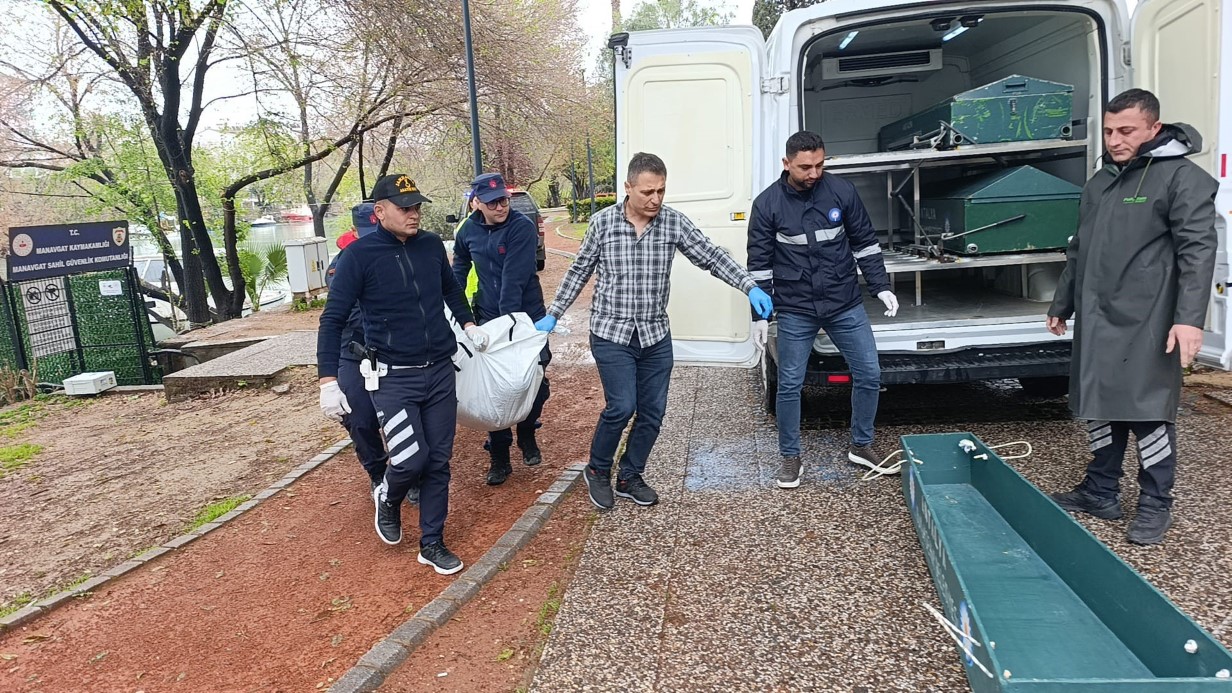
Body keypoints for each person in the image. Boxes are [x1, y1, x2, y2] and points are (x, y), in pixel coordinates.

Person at [535, 152, 773, 509]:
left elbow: (710, 255)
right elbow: (578, 271)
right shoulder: (603, 224)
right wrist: (554, 313)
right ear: (628, 187)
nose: (655, 199)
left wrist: (748, 285)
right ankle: (598, 470)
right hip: (611, 333)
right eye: (647, 191)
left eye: (661, 191)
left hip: (654, 335)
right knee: (622, 406)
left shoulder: (672, 223)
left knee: (653, 412)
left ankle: (630, 475)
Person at [1046, 89, 1217, 545]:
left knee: (1147, 410)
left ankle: (1155, 504)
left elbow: (1198, 252)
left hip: (1150, 318)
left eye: (1126, 131)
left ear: (1154, 129)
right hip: (1100, 316)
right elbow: (1079, 250)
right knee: (1100, 403)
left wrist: (1189, 319)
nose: (1116, 140)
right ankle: (1101, 491)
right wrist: (1062, 303)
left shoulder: (1183, 179)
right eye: (1108, 131)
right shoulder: (1102, 181)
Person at [317, 174, 486, 575]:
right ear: (380, 212)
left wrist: (468, 324)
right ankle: (388, 496)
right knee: (410, 459)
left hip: (440, 371)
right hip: (392, 376)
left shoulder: (429, 246)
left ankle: (432, 542)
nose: (414, 214)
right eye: (404, 208)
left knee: (439, 461)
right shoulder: (359, 257)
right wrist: (327, 380)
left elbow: (450, 288)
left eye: (416, 207)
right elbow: (332, 319)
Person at [747, 131, 898, 489]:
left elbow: (865, 245)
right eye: (804, 167)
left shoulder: (842, 192)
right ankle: (790, 457)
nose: (814, 173)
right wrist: (759, 315)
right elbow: (759, 265)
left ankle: (861, 446)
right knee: (790, 384)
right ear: (786, 164)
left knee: (870, 374)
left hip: (843, 302)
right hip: (796, 307)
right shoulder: (767, 204)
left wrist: (881, 287)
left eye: (819, 164)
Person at [452, 172, 550, 485]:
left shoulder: (521, 227)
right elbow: (457, 272)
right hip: (487, 316)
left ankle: (526, 431)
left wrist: (507, 331)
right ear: (476, 202)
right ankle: (500, 455)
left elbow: (514, 280)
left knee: (534, 379)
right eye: (492, 201)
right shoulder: (468, 231)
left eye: (504, 199)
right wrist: (461, 317)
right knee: (492, 387)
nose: (501, 206)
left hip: (525, 316)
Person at [325, 203, 420, 502]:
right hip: (356, 351)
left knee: (407, 412)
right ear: (354, 232)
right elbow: (345, 316)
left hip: (396, 349)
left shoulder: (404, 254)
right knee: (359, 417)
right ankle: (377, 471)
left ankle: (411, 473)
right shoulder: (341, 265)